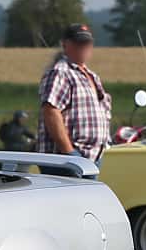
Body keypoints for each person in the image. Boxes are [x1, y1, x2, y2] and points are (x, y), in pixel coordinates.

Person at [37, 23, 112, 161]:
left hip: (92, 156)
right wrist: (69, 152)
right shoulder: (60, 72)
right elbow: (51, 111)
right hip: (68, 159)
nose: (84, 46)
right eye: (79, 42)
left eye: (87, 43)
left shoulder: (92, 76)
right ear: (66, 45)